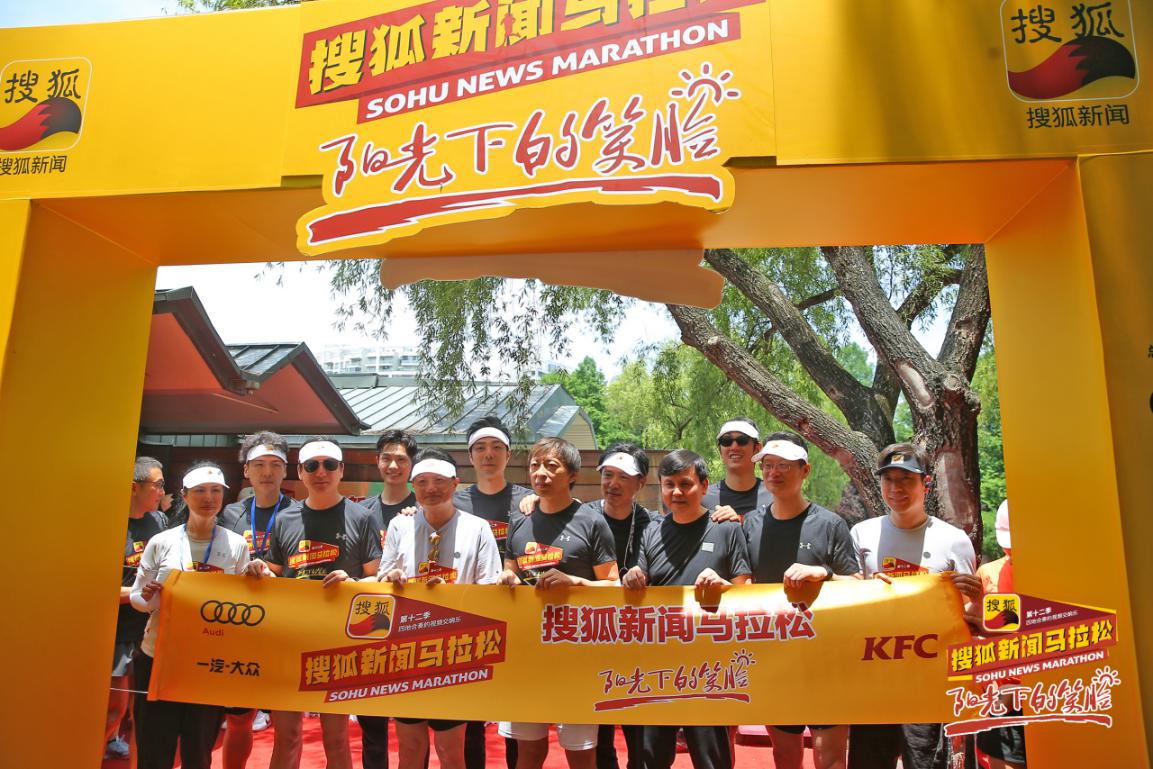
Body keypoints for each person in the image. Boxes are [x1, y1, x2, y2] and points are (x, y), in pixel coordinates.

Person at [247, 437, 382, 769]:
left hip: (339, 643)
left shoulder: (362, 517)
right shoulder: (284, 519)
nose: (321, 472)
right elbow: (276, 572)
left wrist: (353, 585)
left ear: (341, 471)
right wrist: (261, 570)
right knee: (287, 737)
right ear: (300, 473)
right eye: (312, 466)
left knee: (336, 738)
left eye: (329, 465)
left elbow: (377, 579)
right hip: (290, 641)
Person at [847, 443, 981, 769]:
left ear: (926, 483)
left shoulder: (954, 540)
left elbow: (972, 617)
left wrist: (976, 598)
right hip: (874, 679)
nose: (896, 488)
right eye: (888, 479)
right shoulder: (861, 534)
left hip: (928, 683)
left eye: (906, 479)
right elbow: (847, 603)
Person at [621, 450, 751, 769]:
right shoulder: (652, 531)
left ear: (704, 486)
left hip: (710, 668)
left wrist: (724, 585)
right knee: (649, 759)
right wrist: (632, 576)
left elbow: (747, 591)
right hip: (657, 667)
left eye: (685, 484)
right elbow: (638, 581)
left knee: (712, 760)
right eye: (669, 485)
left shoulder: (726, 529)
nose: (677, 492)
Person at [376, 448, 502, 769]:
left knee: (451, 750)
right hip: (407, 654)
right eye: (422, 482)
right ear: (413, 486)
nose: (430, 488)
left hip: (457, 654)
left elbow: (491, 591)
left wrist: (452, 597)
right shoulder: (399, 526)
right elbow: (381, 581)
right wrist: (391, 580)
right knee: (409, 749)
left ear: (456, 483)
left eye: (439, 481)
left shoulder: (478, 528)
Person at [499, 437, 619, 769]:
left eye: (551, 466)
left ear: (573, 475)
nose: (541, 473)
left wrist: (576, 583)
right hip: (526, 655)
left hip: (576, 657)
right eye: (535, 466)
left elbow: (614, 586)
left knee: (581, 755)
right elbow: (510, 572)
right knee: (528, 753)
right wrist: (506, 579)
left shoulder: (591, 522)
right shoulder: (520, 520)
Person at [741, 433, 858, 769]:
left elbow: (857, 584)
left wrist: (823, 574)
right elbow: (741, 584)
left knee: (830, 756)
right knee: (784, 754)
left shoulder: (830, 524)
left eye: (784, 466)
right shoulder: (750, 524)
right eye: (768, 465)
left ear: (805, 471)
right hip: (774, 658)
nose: (774, 473)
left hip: (827, 658)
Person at [130, 462, 251, 769]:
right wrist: (149, 599)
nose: (208, 498)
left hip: (208, 663)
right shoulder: (162, 542)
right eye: (200, 491)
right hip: (159, 657)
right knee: (154, 750)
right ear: (184, 495)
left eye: (215, 491)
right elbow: (137, 597)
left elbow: (242, 604)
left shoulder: (236, 545)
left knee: (198, 752)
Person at [452, 415, 532, 769]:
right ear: (470, 456)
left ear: (508, 454)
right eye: (481, 448)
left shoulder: (529, 500)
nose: (488, 454)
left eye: (497, 447)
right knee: (470, 711)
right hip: (468, 617)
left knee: (516, 713)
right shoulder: (454, 501)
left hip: (519, 617)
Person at [217, 432, 298, 767]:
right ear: (246, 470)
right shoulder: (229, 514)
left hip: (286, 630)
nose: (267, 472)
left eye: (275, 465)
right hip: (241, 629)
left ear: (286, 470)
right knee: (239, 719)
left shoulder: (300, 512)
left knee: (288, 727)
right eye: (259, 464)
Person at [583, 444, 653, 769]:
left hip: (640, 642)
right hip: (592, 638)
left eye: (623, 477)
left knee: (641, 732)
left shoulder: (654, 524)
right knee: (598, 732)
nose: (613, 484)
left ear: (641, 482)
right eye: (607, 475)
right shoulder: (581, 518)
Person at [359, 429, 420, 769]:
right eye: (387, 458)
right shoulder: (361, 511)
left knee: (412, 723)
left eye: (401, 459)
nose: (393, 466)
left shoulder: (423, 508)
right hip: (372, 626)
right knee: (372, 723)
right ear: (377, 461)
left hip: (413, 626)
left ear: (412, 465)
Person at [106, 457, 168, 762]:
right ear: (134, 487)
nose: (162, 492)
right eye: (158, 485)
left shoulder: (159, 522)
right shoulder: (109, 524)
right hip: (116, 633)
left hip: (149, 631)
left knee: (140, 713)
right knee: (112, 710)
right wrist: (138, 594)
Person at [974, 501, 1026, 769]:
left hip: (1044, 693)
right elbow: (977, 634)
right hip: (1000, 696)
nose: (1010, 549)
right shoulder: (988, 574)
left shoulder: (1057, 574)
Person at [701, 417, 773, 518]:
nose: (734, 447)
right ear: (720, 450)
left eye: (742, 440)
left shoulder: (775, 495)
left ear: (757, 448)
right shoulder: (702, 498)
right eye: (726, 441)